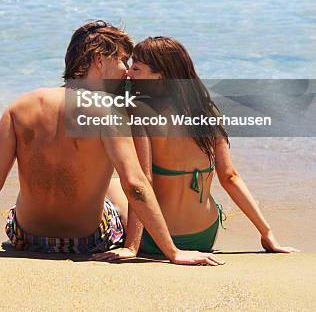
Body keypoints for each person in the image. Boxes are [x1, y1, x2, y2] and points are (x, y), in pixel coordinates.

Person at [0, 22, 223, 266]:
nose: (127, 70)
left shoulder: (20, 106)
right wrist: (173, 252)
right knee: (117, 184)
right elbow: (136, 183)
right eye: (123, 60)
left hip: (24, 237)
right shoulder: (109, 112)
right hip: (84, 242)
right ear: (99, 59)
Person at [94, 36, 298, 261]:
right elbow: (230, 177)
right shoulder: (208, 112)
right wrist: (266, 233)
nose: (129, 74)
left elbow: (145, 181)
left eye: (137, 68)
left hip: (157, 239)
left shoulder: (140, 113)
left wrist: (132, 246)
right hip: (205, 235)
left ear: (160, 76)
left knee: (112, 184)